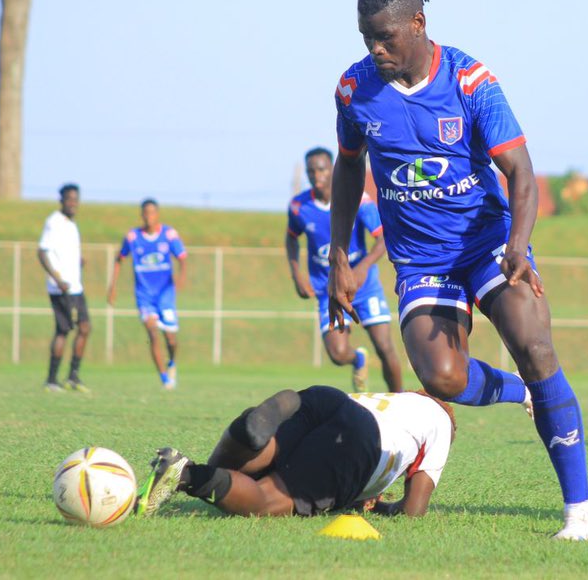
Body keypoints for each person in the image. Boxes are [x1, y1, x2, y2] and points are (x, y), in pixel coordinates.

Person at [327, 0, 588, 540]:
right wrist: (337, 257)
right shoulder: (354, 90)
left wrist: (519, 245)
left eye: (385, 38)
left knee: (534, 344)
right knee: (445, 379)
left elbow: (522, 174)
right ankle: (521, 392)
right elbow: (349, 170)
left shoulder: (471, 82)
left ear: (419, 25)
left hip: (487, 244)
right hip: (423, 260)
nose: (375, 49)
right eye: (366, 38)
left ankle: (580, 514)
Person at [135, 386, 454, 518]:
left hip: (331, 400)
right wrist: (383, 508)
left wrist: (363, 497)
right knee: (265, 500)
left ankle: (249, 428)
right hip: (358, 439)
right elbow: (414, 509)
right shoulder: (441, 422)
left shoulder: (400, 400)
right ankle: (187, 474)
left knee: (257, 458)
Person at [286, 147, 403, 392]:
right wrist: (297, 275)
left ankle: (398, 402)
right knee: (338, 354)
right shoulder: (299, 206)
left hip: (364, 286)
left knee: (384, 347)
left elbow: (383, 238)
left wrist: (362, 267)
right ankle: (358, 359)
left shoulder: (358, 199)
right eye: (311, 171)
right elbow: (291, 239)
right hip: (328, 288)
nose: (316, 175)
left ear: (332, 170)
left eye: (321, 169)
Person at [107, 199, 187, 389]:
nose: (149, 216)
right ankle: (164, 378)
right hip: (145, 296)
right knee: (152, 333)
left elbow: (183, 258)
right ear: (142, 215)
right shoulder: (133, 237)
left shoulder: (168, 234)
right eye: (146, 213)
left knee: (171, 339)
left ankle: (172, 363)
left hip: (166, 295)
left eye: (152, 212)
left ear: (157, 214)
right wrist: (113, 287)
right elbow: (119, 259)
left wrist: (181, 277)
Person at [38, 183, 90, 392]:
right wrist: (56, 278)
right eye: (69, 199)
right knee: (64, 330)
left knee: (85, 328)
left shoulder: (71, 224)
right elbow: (42, 252)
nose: (73, 203)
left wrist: (78, 261)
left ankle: (73, 377)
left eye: (76, 199)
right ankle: (51, 380)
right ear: (61, 200)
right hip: (62, 288)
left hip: (75, 286)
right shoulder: (54, 222)